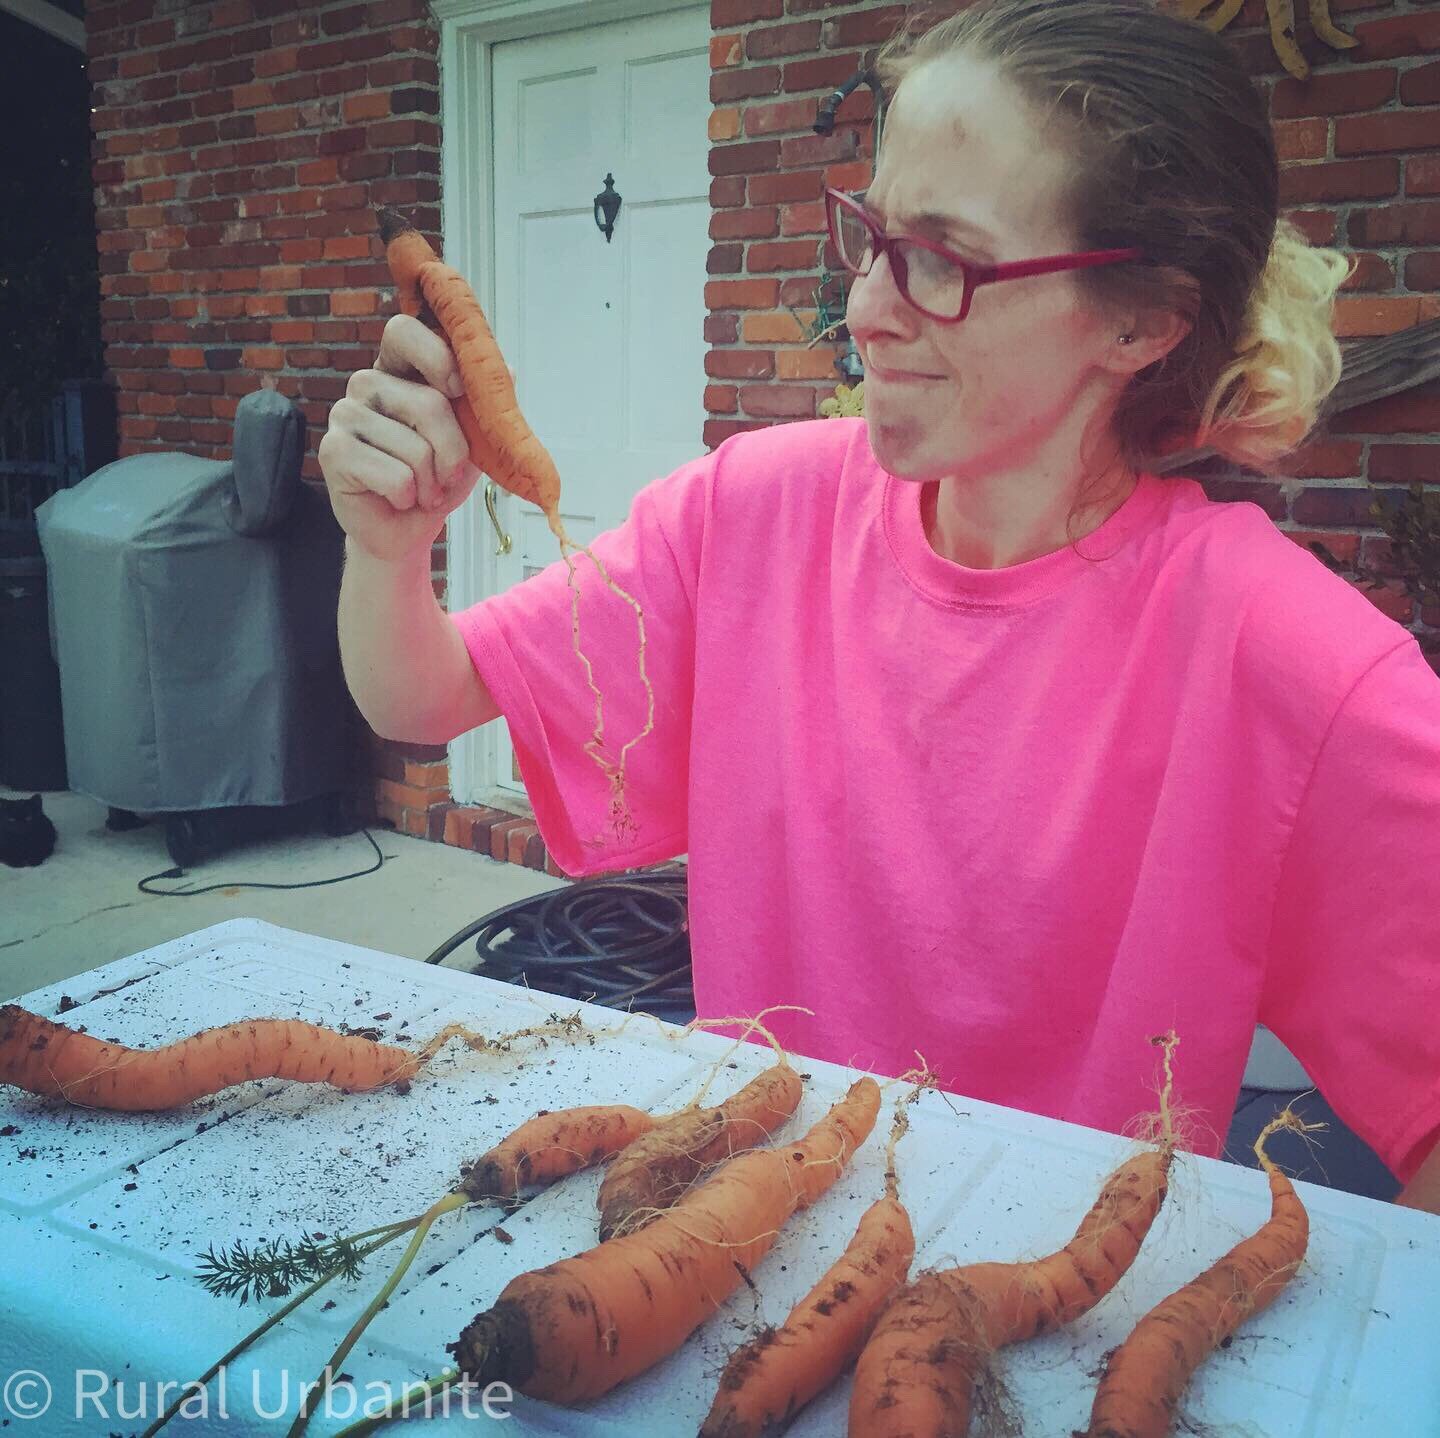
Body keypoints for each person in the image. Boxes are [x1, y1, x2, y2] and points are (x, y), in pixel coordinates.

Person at [319, 0, 1440, 1209]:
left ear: (1141, 320)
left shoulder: (1285, 658)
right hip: (721, 1242)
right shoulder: (759, 514)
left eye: (945, 261)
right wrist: (389, 547)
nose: (863, 312)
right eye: (871, 234)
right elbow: (421, 693)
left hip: (1047, 1320)